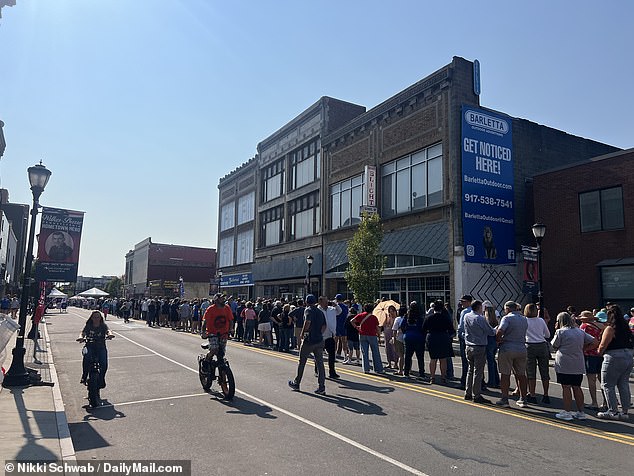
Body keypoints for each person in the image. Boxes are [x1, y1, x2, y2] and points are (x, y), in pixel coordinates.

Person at [551, 312, 597, 421]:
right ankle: (580, 411)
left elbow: (554, 345)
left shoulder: (560, 331)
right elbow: (595, 342)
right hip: (578, 362)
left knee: (566, 386)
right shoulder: (579, 331)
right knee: (577, 387)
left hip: (564, 362)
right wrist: (583, 349)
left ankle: (567, 411)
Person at [596, 305, 634, 420]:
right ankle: (625, 412)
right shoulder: (625, 328)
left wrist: (599, 351)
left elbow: (603, 345)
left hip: (614, 356)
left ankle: (613, 411)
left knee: (607, 385)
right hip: (628, 356)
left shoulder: (610, 328)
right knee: (623, 384)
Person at [288, 294, 326, 395]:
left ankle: (297, 382)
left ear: (306, 302)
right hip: (319, 340)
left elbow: (307, 322)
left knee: (302, 362)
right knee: (320, 363)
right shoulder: (320, 311)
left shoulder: (308, 310)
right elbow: (324, 326)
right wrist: (319, 334)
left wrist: (303, 333)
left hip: (309, 340)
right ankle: (321, 386)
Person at [495, 301, 529, 408]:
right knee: (521, 374)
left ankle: (505, 398)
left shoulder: (507, 318)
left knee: (505, 374)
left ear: (507, 309)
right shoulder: (524, 319)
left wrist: (498, 340)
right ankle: (523, 398)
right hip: (521, 347)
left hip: (508, 346)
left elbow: (500, 331)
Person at [462, 300, 495, 403]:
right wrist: (496, 329)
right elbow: (490, 332)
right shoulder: (480, 318)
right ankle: (476, 394)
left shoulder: (466, 316)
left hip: (469, 345)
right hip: (479, 346)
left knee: (470, 370)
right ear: (479, 307)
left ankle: (468, 392)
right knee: (478, 371)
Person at [77, 311, 114, 388]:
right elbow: (83, 332)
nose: (96, 319)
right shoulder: (89, 325)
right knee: (86, 358)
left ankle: (102, 378)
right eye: (94, 317)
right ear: (91, 318)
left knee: (104, 364)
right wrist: (81, 337)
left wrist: (110, 334)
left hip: (101, 347)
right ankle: (84, 376)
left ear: (100, 318)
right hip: (89, 346)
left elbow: (108, 331)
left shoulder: (103, 326)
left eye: (98, 317)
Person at [524, 303, 551, 404]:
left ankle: (532, 394)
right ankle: (546, 394)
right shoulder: (540, 320)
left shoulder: (525, 321)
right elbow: (547, 334)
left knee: (531, 372)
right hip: (541, 345)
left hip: (529, 345)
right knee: (544, 371)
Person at [422, 301, 454, 384]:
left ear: (434, 308)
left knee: (433, 359)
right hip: (443, 337)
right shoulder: (445, 318)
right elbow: (451, 330)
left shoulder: (429, 317)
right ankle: (443, 377)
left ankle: (432, 377)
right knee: (443, 359)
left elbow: (423, 329)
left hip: (432, 337)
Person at [579, 310, 605, 410]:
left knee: (591, 379)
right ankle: (606, 401)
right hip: (601, 354)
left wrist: (584, 349)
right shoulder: (601, 326)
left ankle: (594, 402)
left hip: (590, 355)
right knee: (602, 379)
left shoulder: (585, 327)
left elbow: (586, 341)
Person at [354, 303, 384, 374]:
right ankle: (378, 369)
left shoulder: (360, 315)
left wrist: (356, 327)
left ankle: (366, 369)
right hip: (372, 335)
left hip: (362, 334)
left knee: (365, 352)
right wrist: (379, 334)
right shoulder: (374, 317)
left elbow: (352, 321)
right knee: (375, 352)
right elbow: (377, 328)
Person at [201, 294, 234, 359]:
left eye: (224, 299)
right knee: (213, 350)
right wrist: (203, 332)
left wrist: (231, 329)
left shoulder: (227, 308)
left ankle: (222, 367)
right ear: (216, 300)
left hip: (223, 334)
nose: (223, 300)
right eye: (221, 299)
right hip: (212, 333)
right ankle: (206, 361)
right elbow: (205, 321)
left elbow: (231, 320)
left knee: (221, 353)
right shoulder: (211, 309)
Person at [318, 296, 340, 378]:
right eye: (325, 301)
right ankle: (318, 370)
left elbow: (339, 311)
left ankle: (332, 372)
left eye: (327, 301)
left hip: (330, 334)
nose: (327, 303)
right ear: (320, 302)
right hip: (321, 334)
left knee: (332, 354)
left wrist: (335, 304)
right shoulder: (318, 310)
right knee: (319, 354)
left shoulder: (332, 309)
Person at [402, 301, 425, 380]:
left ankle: (406, 373)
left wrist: (406, 332)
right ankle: (421, 373)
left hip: (408, 337)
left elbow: (402, 326)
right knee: (420, 357)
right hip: (419, 338)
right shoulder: (420, 317)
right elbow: (423, 328)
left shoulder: (407, 316)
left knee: (408, 356)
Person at [457, 295, 473, 390]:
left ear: (469, 302)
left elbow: (461, 326)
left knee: (465, 361)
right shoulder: (476, 312)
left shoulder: (465, 312)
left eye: (464, 301)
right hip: (474, 339)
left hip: (465, 338)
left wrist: (460, 335)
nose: (462, 303)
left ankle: (464, 382)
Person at [482, 301, 500, 388]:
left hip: (488, 340)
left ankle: (491, 381)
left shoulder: (486, 319)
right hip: (494, 341)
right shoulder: (495, 319)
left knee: (489, 362)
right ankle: (496, 380)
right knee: (492, 361)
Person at [383, 305, 398, 370]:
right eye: (390, 310)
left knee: (394, 349)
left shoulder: (396, 318)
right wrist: (387, 318)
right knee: (388, 348)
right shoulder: (387, 316)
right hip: (387, 334)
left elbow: (393, 326)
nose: (391, 312)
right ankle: (389, 363)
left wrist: (392, 318)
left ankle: (396, 363)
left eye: (392, 310)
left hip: (393, 334)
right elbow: (384, 324)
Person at [334, 294, 349, 359]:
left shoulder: (336, 307)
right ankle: (345, 355)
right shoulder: (346, 307)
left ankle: (334, 354)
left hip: (337, 324)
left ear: (337, 299)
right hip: (344, 325)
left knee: (335, 341)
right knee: (344, 341)